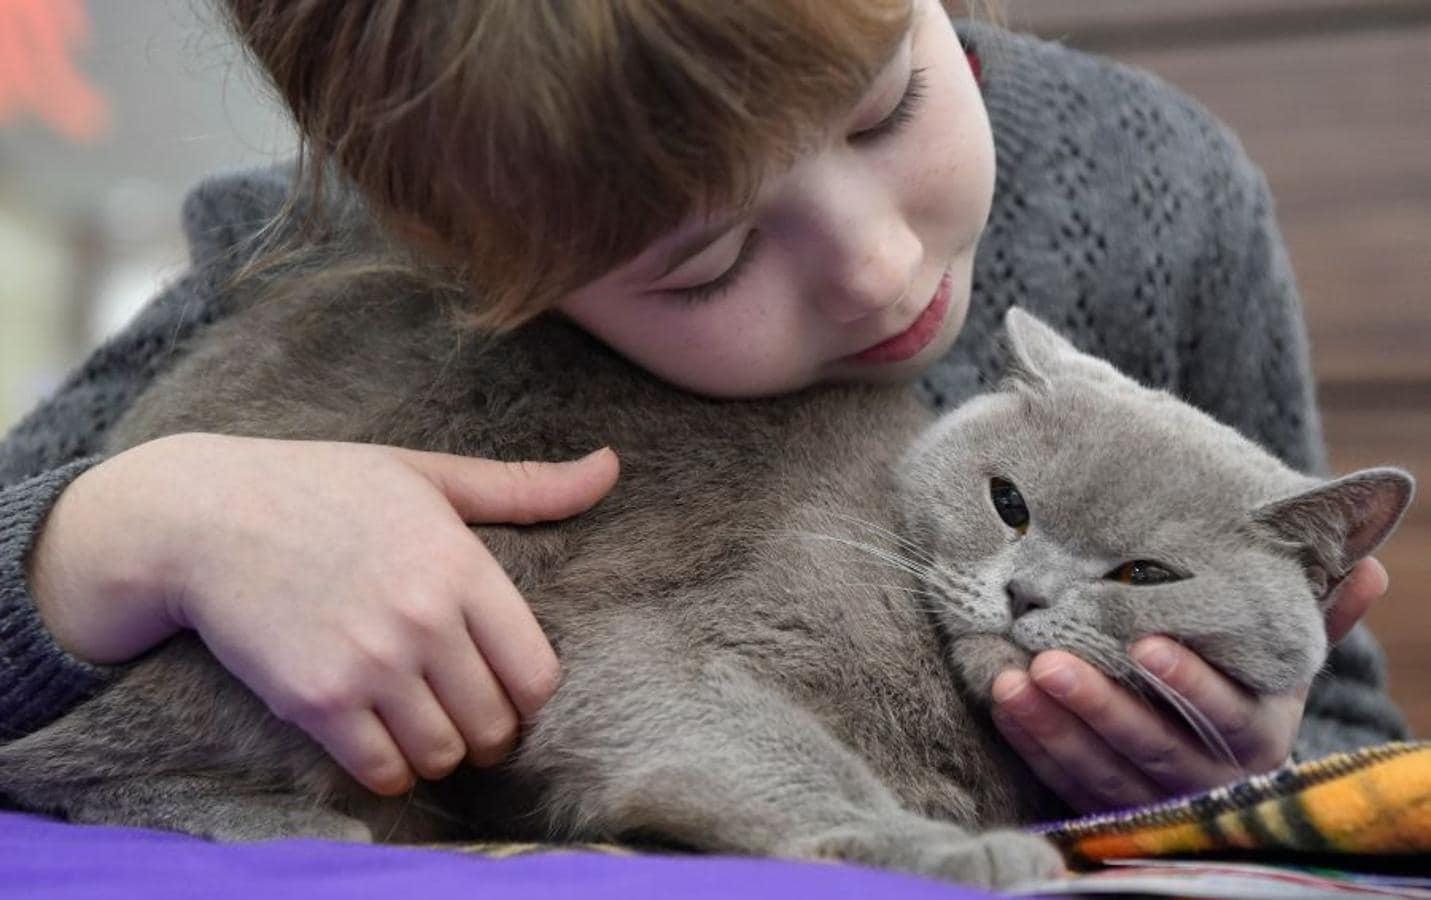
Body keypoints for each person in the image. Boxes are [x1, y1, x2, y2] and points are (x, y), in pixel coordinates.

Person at [0, 0, 1407, 816]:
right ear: (489, 265)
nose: (876, 267)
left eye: (889, 106)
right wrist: (137, 527)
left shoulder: (1157, 191)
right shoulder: (332, 265)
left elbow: (1352, 731)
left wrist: (1242, 762)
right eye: (712, 259)